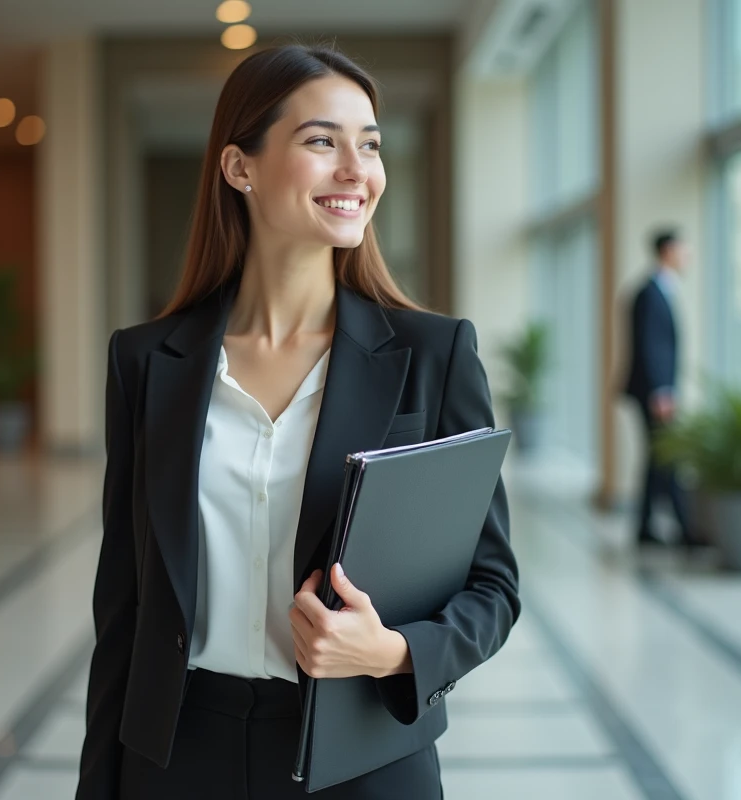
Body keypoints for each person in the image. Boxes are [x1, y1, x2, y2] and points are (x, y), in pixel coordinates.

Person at [76, 45, 521, 800]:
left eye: (370, 144)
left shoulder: (433, 355)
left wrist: (393, 652)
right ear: (239, 168)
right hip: (178, 757)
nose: (358, 169)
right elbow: (124, 605)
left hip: (364, 759)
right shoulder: (148, 363)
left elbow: (493, 585)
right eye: (323, 141)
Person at [624, 229, 696, 547]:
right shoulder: (649, 292)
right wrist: (661, 392)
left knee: (658, 459)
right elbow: (649, 346)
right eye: (684, 250)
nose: (688, 256)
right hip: (655, 393)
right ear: (667, 251)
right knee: (667, 457)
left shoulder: (660, 289)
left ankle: (647, 527)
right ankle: (683, 527)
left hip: (657, 390)